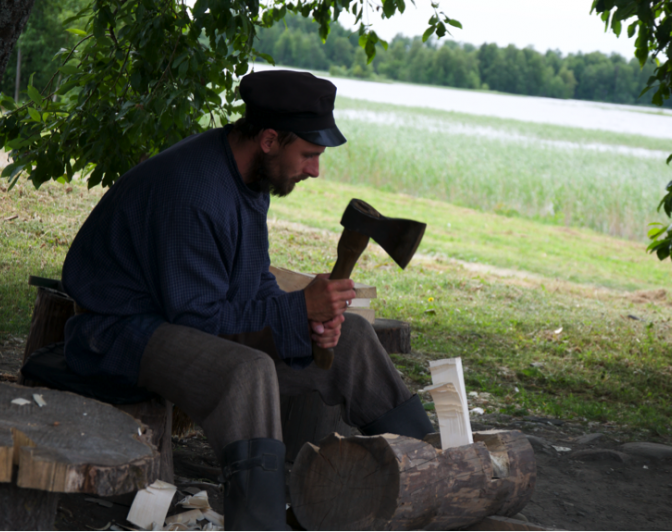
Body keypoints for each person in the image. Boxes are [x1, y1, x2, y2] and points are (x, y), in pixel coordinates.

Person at [60, 70, 434, 531]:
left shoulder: (251, 178)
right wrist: (297, 311)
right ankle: (259, 524)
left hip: (182, 319)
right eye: (310, 154)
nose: (315, 170)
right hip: (118, 332)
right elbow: (202, 321)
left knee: (353, 335)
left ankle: (433, 471)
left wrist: (310, 322)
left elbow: (252, 288)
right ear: (271, 139)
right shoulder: (194, 193)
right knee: (248, 371)